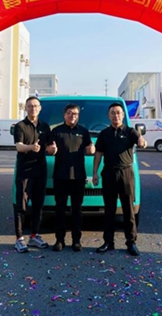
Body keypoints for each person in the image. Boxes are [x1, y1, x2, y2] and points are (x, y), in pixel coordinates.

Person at [92, 103, 146, 256]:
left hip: (126, 173)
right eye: (113, 113)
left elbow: (141, 142)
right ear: (108, 116)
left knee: (128, 209)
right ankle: (108, 242)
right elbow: (98, 153)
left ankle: (131, 242)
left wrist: (142, 142)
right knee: (109, 210)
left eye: (118, 113)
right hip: (109, 172)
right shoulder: (104, 134)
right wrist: (95, 172)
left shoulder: (130, 132)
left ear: (122, 115)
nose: (116, 115)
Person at [47, 104, 95, 252]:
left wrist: (91, 149)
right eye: (69, 113)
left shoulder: (83, 131)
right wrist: (51, 150)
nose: (72, 116)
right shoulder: (56, 131)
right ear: (64, 115)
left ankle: (76, 241)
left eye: (75, 114)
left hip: (78, 176)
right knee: (60, 209)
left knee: (77, 210)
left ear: (78, 116)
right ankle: (59, 240)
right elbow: (49, 149)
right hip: (60, 176)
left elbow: (89, 149)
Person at [12, 96, 51, 253]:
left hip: (40, 171)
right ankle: (19, 238)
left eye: (35, 106)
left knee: (38, 205)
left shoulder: (45, 126)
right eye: (30, 106)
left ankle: (34, 235)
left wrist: (52, 149)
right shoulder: (20, 126)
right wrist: (31, 147)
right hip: (25, 172)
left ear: (40, 108)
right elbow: (19, 147)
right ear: (25, 108)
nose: (33, 108)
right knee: (21, 205)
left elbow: (49, 145)